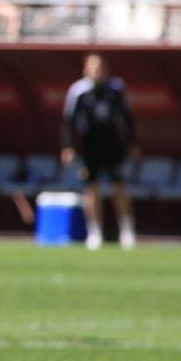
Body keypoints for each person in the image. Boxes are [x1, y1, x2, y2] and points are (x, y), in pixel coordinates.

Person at [61, 52, 139, 251]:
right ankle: (95, 232)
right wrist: (68, 147)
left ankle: (127, 231)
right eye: (93, 67)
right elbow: (68, 122)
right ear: (85, 69)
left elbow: (128, 119)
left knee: (120, 188)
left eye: (100, 67)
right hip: (90, 148)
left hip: (114, 146)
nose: (97, 71)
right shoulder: (78, 91)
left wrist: (133, 144)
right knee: (92, 189)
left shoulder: (116, 89)